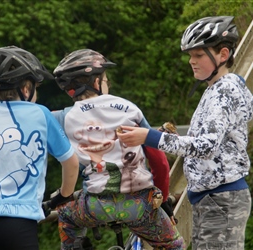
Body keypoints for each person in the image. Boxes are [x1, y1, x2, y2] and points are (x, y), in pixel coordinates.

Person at [117, 16, 253, 250]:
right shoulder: (217, 89)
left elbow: (206, 146)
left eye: (199, 55)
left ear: (222, 54)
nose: (192, 61)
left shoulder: (224, 91)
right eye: (190, 55)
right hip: (212, 198)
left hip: (220, 199)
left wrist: (149, 137)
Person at [51, 49, 185, 249]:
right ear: (96, 83)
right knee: (174, 245)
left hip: (96, 206)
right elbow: (159, 161)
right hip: (141, 204)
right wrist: (162, 198)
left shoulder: (62, 117)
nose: (108, 84)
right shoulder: (129, 107)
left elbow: (69, 162)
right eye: (106, 79)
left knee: (66, 216)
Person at [0, 46, 79, 250]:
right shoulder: (41, 114)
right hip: (18, 225)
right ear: (26, 89)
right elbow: (70, 162)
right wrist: (62, 195)